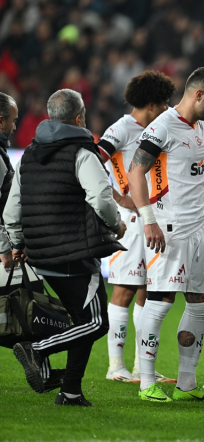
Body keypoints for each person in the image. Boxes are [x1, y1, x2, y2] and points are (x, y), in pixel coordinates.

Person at [6, 89, 127, 406]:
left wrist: (18, 241)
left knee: (81, 322)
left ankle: (70, 391)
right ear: (79, 117)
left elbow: (11, 207)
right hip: (75, 254)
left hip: (40, 256)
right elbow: (101, 198)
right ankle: (39, 350)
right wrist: (116, 225)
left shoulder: (30, 153)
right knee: (97, 322)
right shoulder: (82, 152)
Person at [127, 67, 204, 403]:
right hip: (169, 228)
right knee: (161, 300)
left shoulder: (201, 127)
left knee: (202, 301)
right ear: (198, 94)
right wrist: (148, 219)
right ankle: (146, 382)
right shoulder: (163, 126)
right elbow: (135, 171)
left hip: (198, 229)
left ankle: (186, 384)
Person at [97, 71, 177, 383]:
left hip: (149, 220)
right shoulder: (122, 128)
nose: (168, 108)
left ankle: (142, 366)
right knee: (125, 288)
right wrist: (117, 197)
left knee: (148, 288)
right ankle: (115, 367)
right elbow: (91, 158)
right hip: (128, 223)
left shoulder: (156, 128)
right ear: (151, 104)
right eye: (164, 103)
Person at [0, 92, 64, 393]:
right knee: (29, 300)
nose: (15, 126)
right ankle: (35, 356)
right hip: (4, 246)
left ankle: (41, 367)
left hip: (10, 242)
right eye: (12, 120)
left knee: (26, 299)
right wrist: (5, 248)